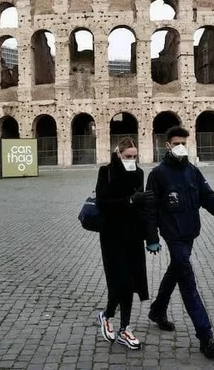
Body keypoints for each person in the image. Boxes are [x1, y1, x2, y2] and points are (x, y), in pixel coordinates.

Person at [145, 126, 214, 359]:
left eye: (183, 142)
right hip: (172, 234)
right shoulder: (158, 174)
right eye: (176, 143)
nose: (180, 146)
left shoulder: (193, 171)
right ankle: (206, 337)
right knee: (187, 281)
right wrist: (152, 238)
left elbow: (207, 196)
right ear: (167, 145)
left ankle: (157, 310)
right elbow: (150, 209)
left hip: (190, 232)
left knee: (176, 269)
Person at [95, 137, 157, 349]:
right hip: (111, 235)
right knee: (119, 281)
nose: (132, 160)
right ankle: (108, 316)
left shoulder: (139, 173)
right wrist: (130, 200)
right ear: (119, 154)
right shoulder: (106, 172)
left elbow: (144, 208)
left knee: (131, 282)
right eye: (128, 156)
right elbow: (101, 203)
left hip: (133, 234)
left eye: (134, 156)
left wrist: (151, 237)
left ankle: (125, 329)